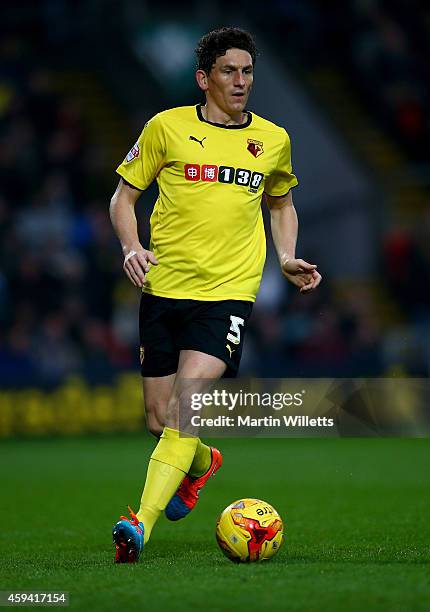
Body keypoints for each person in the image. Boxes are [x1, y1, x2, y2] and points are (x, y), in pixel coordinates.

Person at [109, 26, 321, 563]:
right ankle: (202, 464)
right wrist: (132, 247)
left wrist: (286, 256)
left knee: (184, 409)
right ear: (204, 78)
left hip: (227, 294)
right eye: (229, 71)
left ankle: (140, 525)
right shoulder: (166, 127)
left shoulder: (273, 140)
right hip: (163, 287)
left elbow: (281, 204)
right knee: (158, 419)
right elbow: (122, 198)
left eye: (247, 71)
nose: (240, 81)